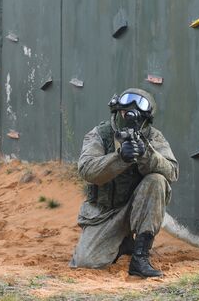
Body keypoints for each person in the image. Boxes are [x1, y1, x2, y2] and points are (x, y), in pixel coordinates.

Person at [69, 88, 178, 278]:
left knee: (157, 180)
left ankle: (140, 257)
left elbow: (172, 171)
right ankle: (123, 243)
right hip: (105, 213)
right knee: (87, 263)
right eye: (124, 112)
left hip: (137, 207)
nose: (128, 118)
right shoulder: (99, 134)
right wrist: (120, 158)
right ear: (117, 111)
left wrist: (147, 154)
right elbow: (87, 170)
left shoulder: (153, 137)